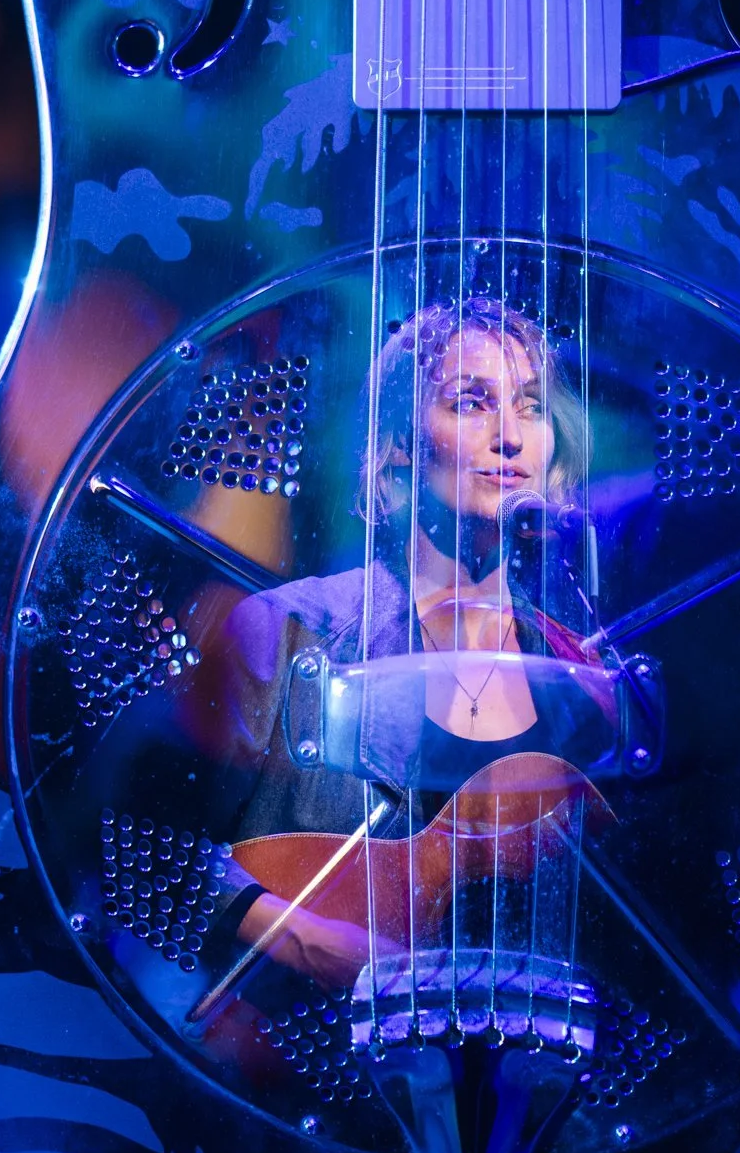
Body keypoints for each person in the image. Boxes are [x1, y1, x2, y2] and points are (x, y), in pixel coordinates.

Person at [215, 298, 611, 990]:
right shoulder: (290, 631)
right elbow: (146, 853)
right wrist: (305, 940)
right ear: (400, 443)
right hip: (305, 1058)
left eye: (531, 407)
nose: (510, 438)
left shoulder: (578, 673)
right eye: (471, 403)